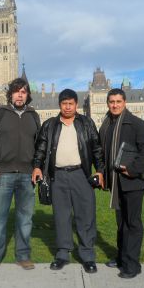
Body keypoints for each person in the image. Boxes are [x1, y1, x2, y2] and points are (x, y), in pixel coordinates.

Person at [32, 89, 103, 274]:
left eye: (71, 103)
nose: (68, 107)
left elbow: (97, 149)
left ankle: (87, 255)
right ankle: (63, 254)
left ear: (76, 105)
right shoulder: (49, 125)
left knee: (85, 215)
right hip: (58, 176)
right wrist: (37, 166)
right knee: (61, 216)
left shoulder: (86, 123)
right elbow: (40, 148)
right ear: (60, 105)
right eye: (65, 104)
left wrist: (101, 170)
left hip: (82, 174)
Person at [0, 78, 41, 273]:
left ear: (27, 95)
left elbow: (40, 145)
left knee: (25, 219)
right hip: (3, 175)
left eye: (23, 92)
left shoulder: (33, 116)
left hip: (26, 175)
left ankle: (23, 256)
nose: (20, 95)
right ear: (11, 94)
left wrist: (37, 167)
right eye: (16, 91)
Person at [99, 88, 144, 279]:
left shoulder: (136, 123)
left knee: (132, 223)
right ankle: (122, 257)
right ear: (108, 103)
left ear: (124, 103)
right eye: (111, 102)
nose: (115, 105)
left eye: (118, 102)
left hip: (132, 182)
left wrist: (132, 170)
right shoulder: (106, 125)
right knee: (121, 222)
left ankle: (132, 264)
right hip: (116, 183)